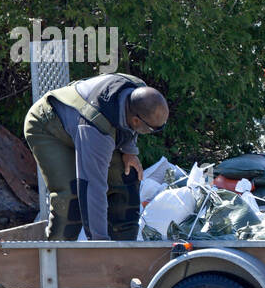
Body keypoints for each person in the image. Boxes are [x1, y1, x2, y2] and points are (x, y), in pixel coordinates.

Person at [23, 73, 169, 241]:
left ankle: (123, 255)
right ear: (136, 121)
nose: (152, 134)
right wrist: (99, 243)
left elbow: (130, 127)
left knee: (127, 178)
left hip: (82, 124)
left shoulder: (139, 90)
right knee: (72, 199)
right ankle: (56, 259)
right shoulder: (96, 129)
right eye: (152, 130)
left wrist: (130, 151)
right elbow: (92, 188)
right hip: (48, 126)